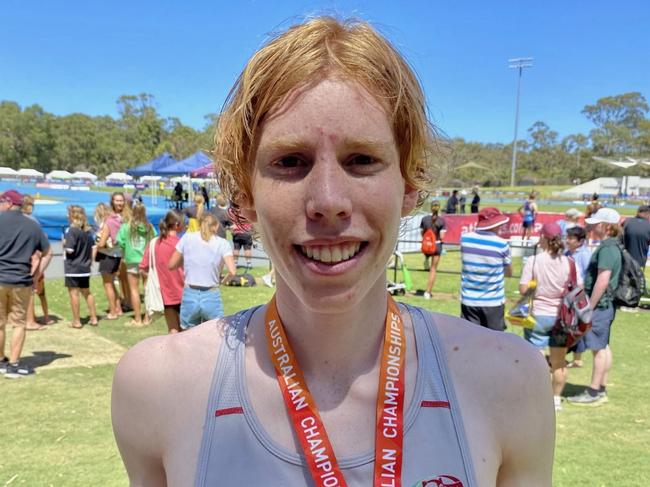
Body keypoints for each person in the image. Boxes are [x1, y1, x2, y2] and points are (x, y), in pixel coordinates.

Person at [112, 17, 553, 485]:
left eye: (361, 159)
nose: (327, 201)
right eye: (289, 161)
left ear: (408, 184)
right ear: (245, 194)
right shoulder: (156, 387)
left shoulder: (508, 381)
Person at [519, 223, 581, 411]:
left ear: (544, 238)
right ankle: (555, 399)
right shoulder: (570, 262)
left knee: (535, 359)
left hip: (538, 313)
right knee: (559, 361)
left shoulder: (534, 261)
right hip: (561, 317)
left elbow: (523, 289)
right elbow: (578, 290)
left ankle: (537, 397)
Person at [567, 208, 622, 406]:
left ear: (605, 226)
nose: (591, 226)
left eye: (595, 223)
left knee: (597, 349)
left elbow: (603, 279)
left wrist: (589, 306)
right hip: (606, 305)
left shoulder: (607, 248)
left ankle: (594, 391)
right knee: (603, 347)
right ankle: (600, 388)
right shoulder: (612, 245)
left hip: (600, 306)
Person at [0, 190, 52, 378]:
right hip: (21, 280)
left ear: (7, 203)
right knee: (18, 323)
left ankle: (1, 361)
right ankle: (13, 364)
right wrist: (36, 275)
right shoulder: (32, 226)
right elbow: (48, 252)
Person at [168, 213, 236, 329]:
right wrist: (222, 282)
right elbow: (232, 271)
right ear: (215, 227)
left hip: (190, 293)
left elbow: (171, 265)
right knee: (213, 336)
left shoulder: (187, 238)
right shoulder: (222, 243)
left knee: (187, 336)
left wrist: (187, 261)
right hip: (211, 293)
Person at [460, 207, 512, 330]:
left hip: (469, 300)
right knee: (494, 344)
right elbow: (509, 272)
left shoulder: (465, 239)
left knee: (470, 341)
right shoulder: (502, 244)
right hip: (493, 302)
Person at [139, 210, 185, 333]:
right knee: (186, 331)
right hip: (184, 292)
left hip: (164, 293)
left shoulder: (154, 243)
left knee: (172, 329)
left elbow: (143, 267)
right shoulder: (181, 244)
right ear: (177, 224)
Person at [116, 202, 156, 327]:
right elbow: (154, 241)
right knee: (147, 289)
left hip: (132, 260)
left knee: (134, 290)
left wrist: (126, 252)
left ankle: (138, 318)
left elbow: (120, 242)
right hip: (146, 261)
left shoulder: (126, 227)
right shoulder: (149, 227)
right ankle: (147, 317)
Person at [63, 205, 98, 328]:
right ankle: (93, 318)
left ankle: (76, 321)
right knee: (87, 292)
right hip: (85, 267)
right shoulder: (88, 232)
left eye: (68, 214)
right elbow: (94, 248)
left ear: (72, 216)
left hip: (73, 267)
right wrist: (90, 261)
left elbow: (70, 250)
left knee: (74, 294)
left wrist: (64, 244)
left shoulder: (71, 231)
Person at [21, 195, 52, 330]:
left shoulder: (13, 219)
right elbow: (42, 245)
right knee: (32, 290)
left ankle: (25, 317)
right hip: (31, 259)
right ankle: (30, 319)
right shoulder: (32, 221)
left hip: (16, 259)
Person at [564, 226, 592, 368]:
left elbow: (588, 277)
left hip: (578, 296)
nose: (567, 240)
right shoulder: (566, 253)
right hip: (568, 296)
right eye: (566, 237)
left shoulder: (585, 255)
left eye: (570, 238)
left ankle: (577, 358)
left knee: (576, 326)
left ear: (580, 241)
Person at [95, 198, 124, 319]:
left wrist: (95, 246)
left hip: (107, 255)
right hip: (117, 254)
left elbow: (102, 243)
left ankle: (113, 311)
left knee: (108, 284)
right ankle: (118, 308)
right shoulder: (118, 221)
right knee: (111, 283)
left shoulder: (106, 224)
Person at [419, 203, 446, 299]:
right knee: (433, 269)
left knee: (427, 255)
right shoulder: (441, 221)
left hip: (427, 245)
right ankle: (427, 292)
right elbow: (442, 237)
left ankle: (426, 258)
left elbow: (422, 233)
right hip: (437, 246)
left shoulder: (425, 219)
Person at [622, 205, 650, 270]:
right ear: (647, 214)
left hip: (625, 260)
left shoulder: (627, 222)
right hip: (640, 262)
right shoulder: (648, 225)